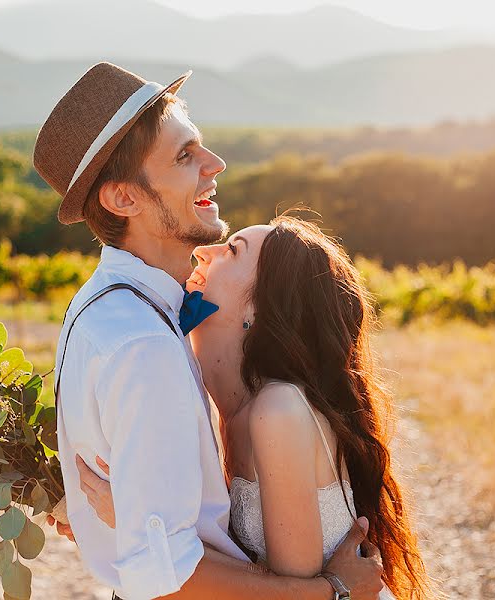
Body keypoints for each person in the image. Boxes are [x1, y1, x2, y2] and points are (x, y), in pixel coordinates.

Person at [33, 62, 384, 600]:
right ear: (124, 198)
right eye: (184, 155)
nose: (215, 163)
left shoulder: (111, 311)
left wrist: (124, 512)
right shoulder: (143, 344)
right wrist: (334, 589)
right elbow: (166, 574)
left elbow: (169, 526)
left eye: (201, 146)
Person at [75, 218, 432, 599]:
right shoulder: (222, 408)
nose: (202, 252)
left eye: (231, 250)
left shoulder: (278, 411)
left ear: (259, 309)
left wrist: (135, 522)